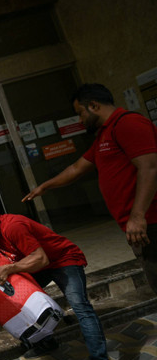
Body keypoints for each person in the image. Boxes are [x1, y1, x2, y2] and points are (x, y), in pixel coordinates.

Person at [0, 192, 115, 360]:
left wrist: (9, 269)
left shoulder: (12, 225)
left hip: (62, 259)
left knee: (81, 308)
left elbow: (41, 259)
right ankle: (46, 341)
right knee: (16, 299)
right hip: (37, 265)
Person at [23, 83, 157, 295]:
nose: (80, 120)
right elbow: (77, 168)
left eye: (80, 113)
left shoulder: (128, 123)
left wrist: (138, 216)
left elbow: (150, 167)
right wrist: (45, 186)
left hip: (151, 221)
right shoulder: (105, 134)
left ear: (93, 106)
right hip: (140, 226)